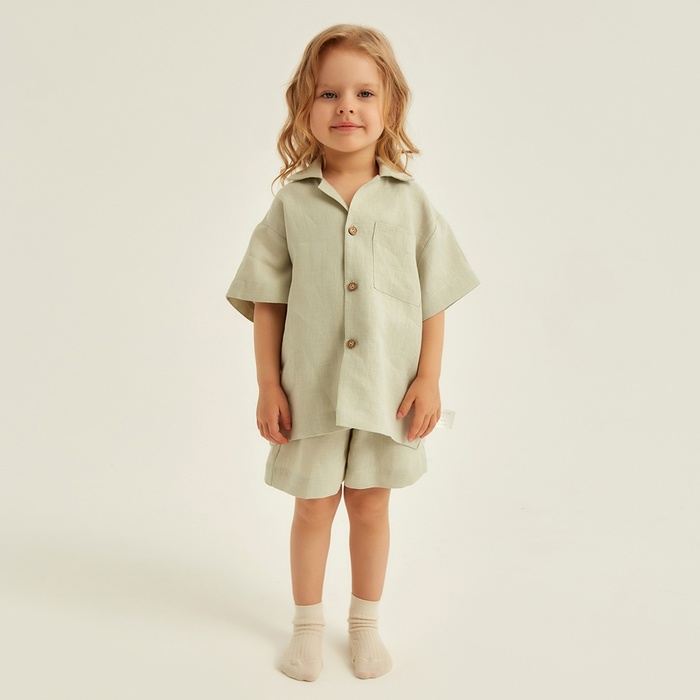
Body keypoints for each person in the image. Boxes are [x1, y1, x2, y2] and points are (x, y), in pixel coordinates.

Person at [226, 24, 479, 682]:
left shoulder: (410, 202)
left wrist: (430, 378)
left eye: (364, 93)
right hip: (309, 389)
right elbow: (267, 300)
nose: (347, 107)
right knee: (313, 506)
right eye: (329, 93)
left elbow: (434, 296)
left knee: (371, 504)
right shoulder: (290, 205)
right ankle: (307, 628)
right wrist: (268, 385)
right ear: (304, 107)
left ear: (390, 105)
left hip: (387, 390)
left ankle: (365, 625)